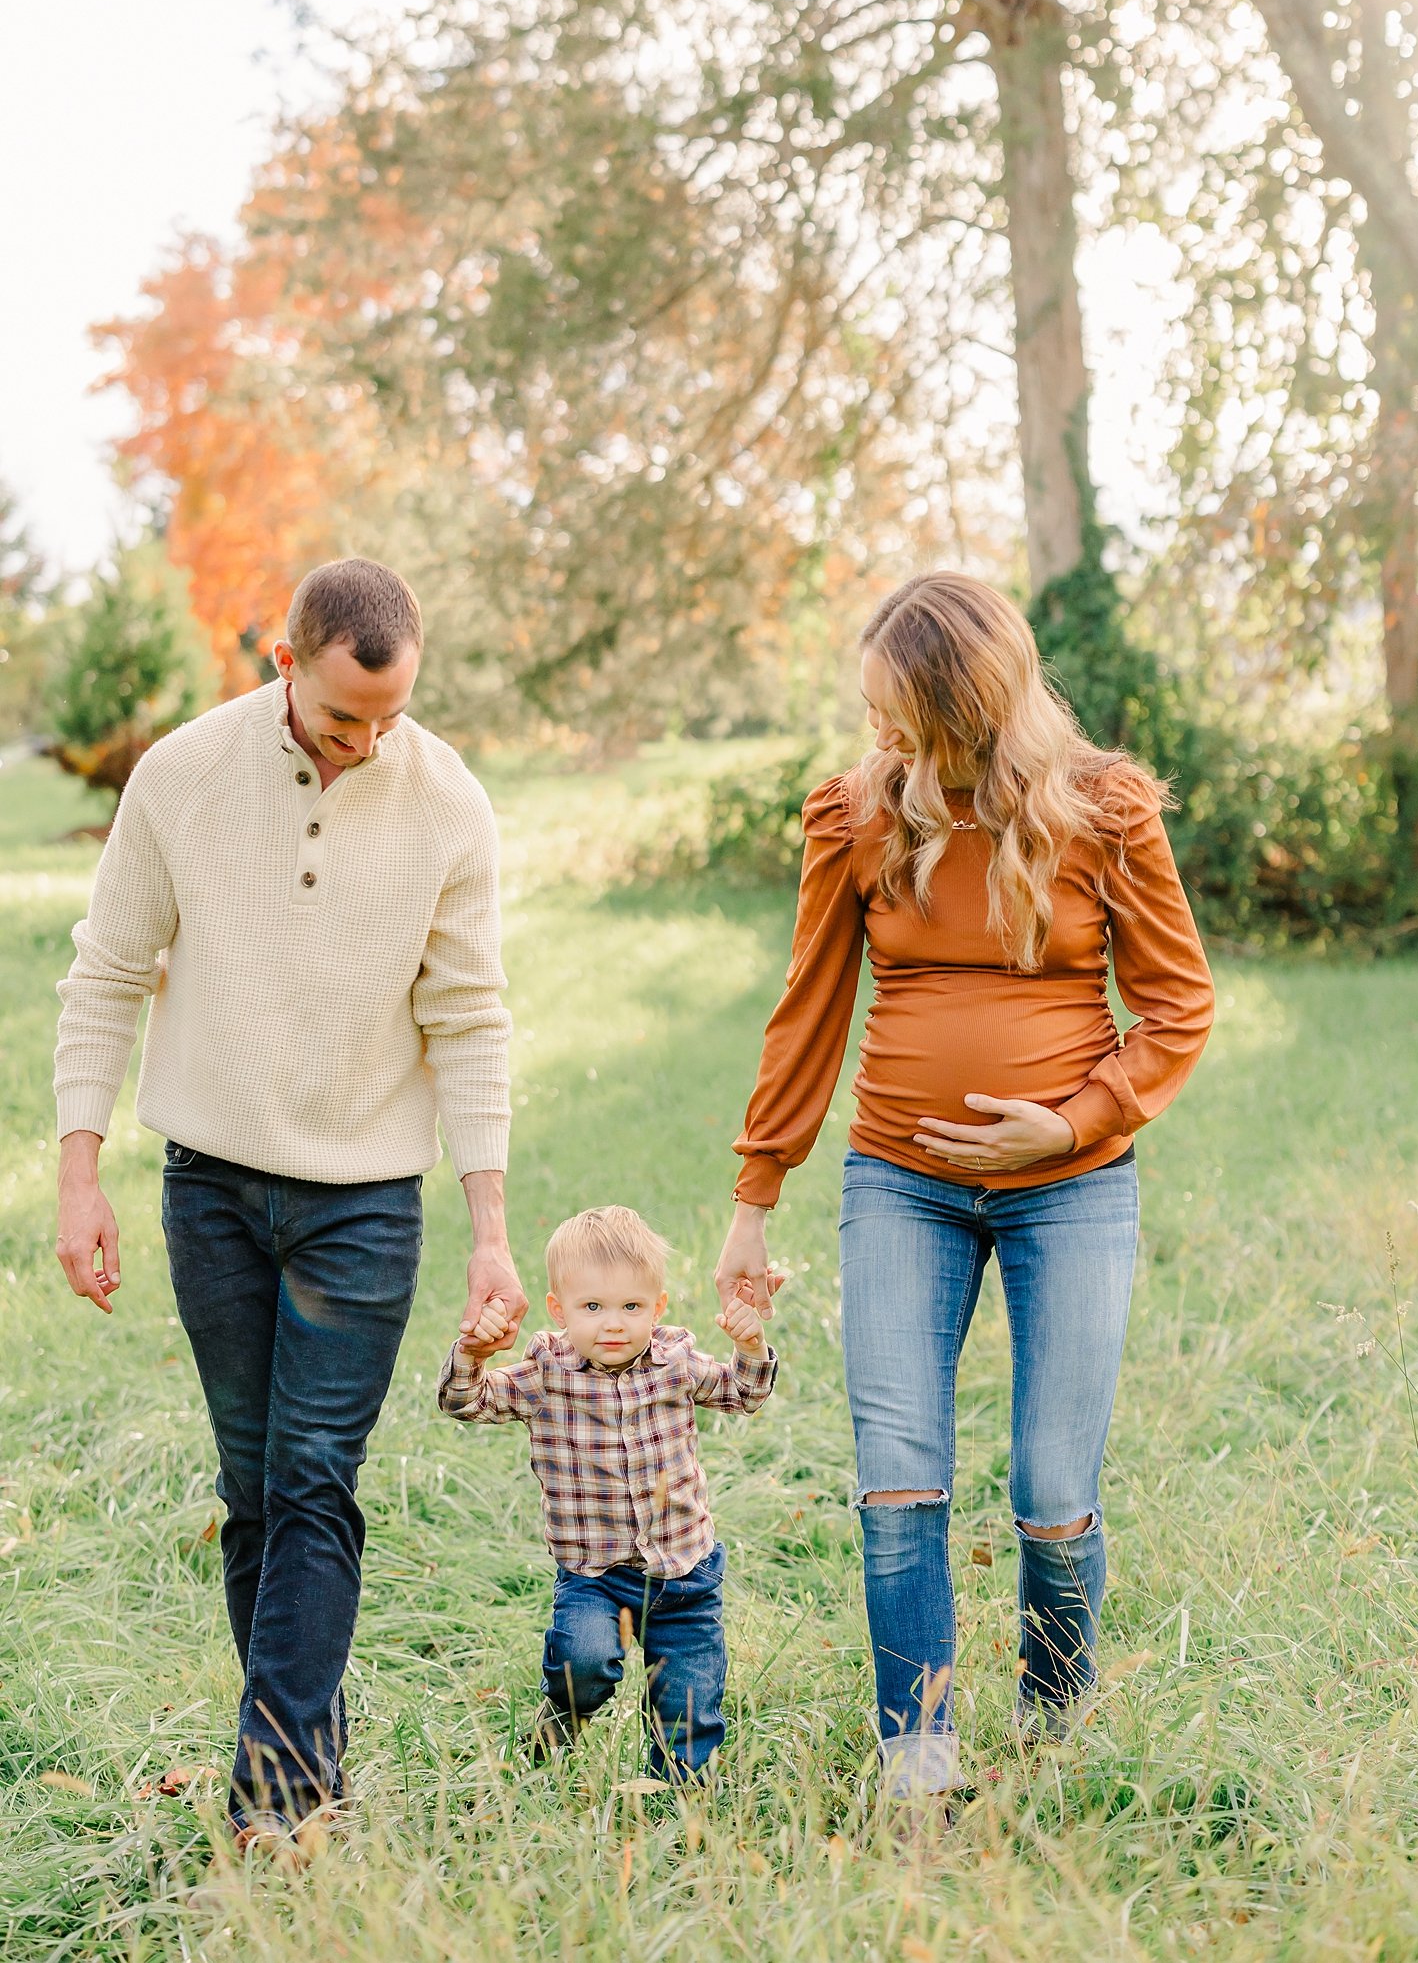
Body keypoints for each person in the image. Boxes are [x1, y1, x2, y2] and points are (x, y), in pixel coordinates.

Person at [53, 557, 525, 1856]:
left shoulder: (447, 804)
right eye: (340, 718)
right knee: (256, 1490)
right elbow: (105, 972)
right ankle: (308, 1776)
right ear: (284, 666)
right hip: (210, 1187)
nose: (368, 742)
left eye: (389, 715)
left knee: (314, 1482)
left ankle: (269, 1804)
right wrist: (79, 1167)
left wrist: (489, 1228)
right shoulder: (183, 775)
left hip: (365, 1203)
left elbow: (470, 1017)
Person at [714, 572, 1214, 1795]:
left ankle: (1056, 1706)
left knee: (1051, 1489)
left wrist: (1074, 1122)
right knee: (898, 1471)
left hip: (1074, 1186)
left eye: (901, 711)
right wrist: (755, 1194)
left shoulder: (1105, 811)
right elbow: (809, 1010)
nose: (877, 732)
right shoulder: (856, 814)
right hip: (902, 1182)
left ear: (971, 705)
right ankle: (920, 1748)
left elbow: (1176, 1006)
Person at [438, 1203, 776, 1777]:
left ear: (658, 1308)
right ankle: (565, 1714)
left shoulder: (675, 1361)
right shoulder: (547, 1372)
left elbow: (742, 1395)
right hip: (595, 1574)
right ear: (558, 1309)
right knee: (584, 1661)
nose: (613, 1323)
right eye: (592, 1307)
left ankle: (681, 1795)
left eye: (631, 1307)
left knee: (688, 1702)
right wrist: (470, 1355)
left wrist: (749, 1345)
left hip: (683, 1571)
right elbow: (466, 1401)